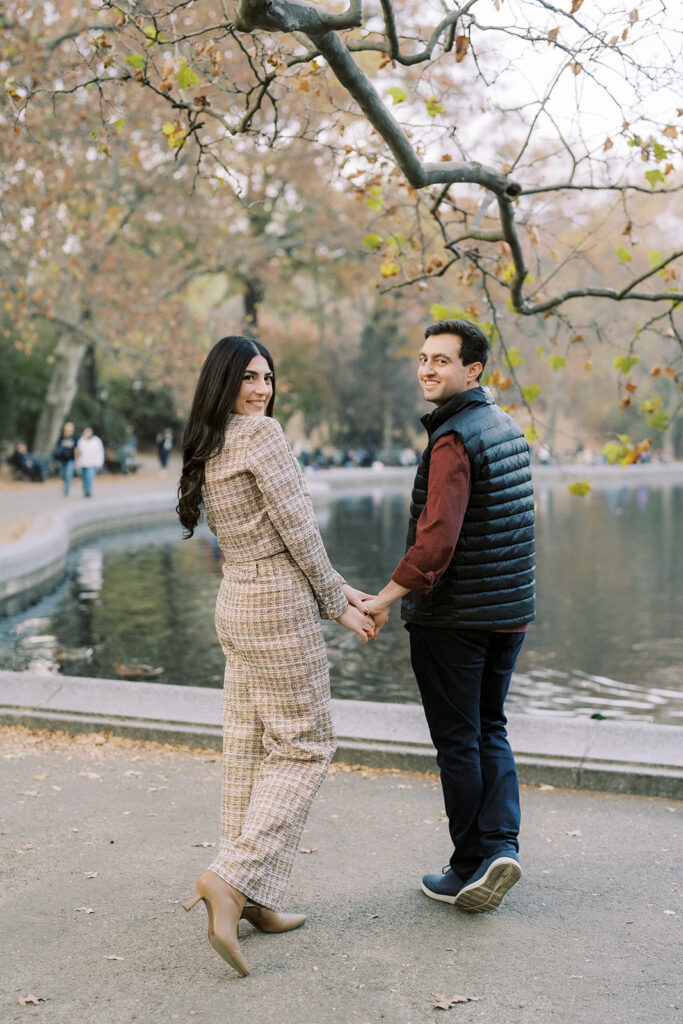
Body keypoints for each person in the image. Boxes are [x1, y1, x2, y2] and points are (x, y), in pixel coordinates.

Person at [176, 336, 385, 977]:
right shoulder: (262, 437)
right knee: (305, 746)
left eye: (267, 377)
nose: (261, 389)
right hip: (276, 607)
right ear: (224, 383)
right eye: (248, 378)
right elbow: (297, 529)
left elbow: (275, 534)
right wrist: (336, 603)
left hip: (236, 602)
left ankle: (255, 899)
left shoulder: (210, 442)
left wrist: (337, 588)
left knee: (247, 750)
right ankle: (232, 878)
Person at [362, 318, 535, 914]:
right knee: (491, 726)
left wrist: (384, 597)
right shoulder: (506, 426)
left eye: (441, 360)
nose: (427, 369)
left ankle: (466, 867)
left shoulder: (454, 438)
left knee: (460, 740)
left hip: (455, 618)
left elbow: (437, 542)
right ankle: (501, 846)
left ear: (472, 371)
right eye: (423, 358)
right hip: (508, 613)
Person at [75, 426, 105, 497]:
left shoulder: (97, 441)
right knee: (84, 477)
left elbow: (100, 452)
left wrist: (100, 462)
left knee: (90, 477)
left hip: (92, 463)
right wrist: (77, 462)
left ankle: (88, 491)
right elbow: (78, 452)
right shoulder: (81, 441)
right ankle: (86, 489)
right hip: (83, 463)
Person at [52, 421, 77, 495]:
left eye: (70, 430)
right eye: (67, 430)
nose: (69, 431)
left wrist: (76, 461)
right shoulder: (61, 438)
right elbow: (57, 448)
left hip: (70, 459)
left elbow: (76, 450)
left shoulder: (74, 438)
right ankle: (65, 484)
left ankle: (66, 490)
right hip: (62, 460)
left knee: (69, 474)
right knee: (63, 475)